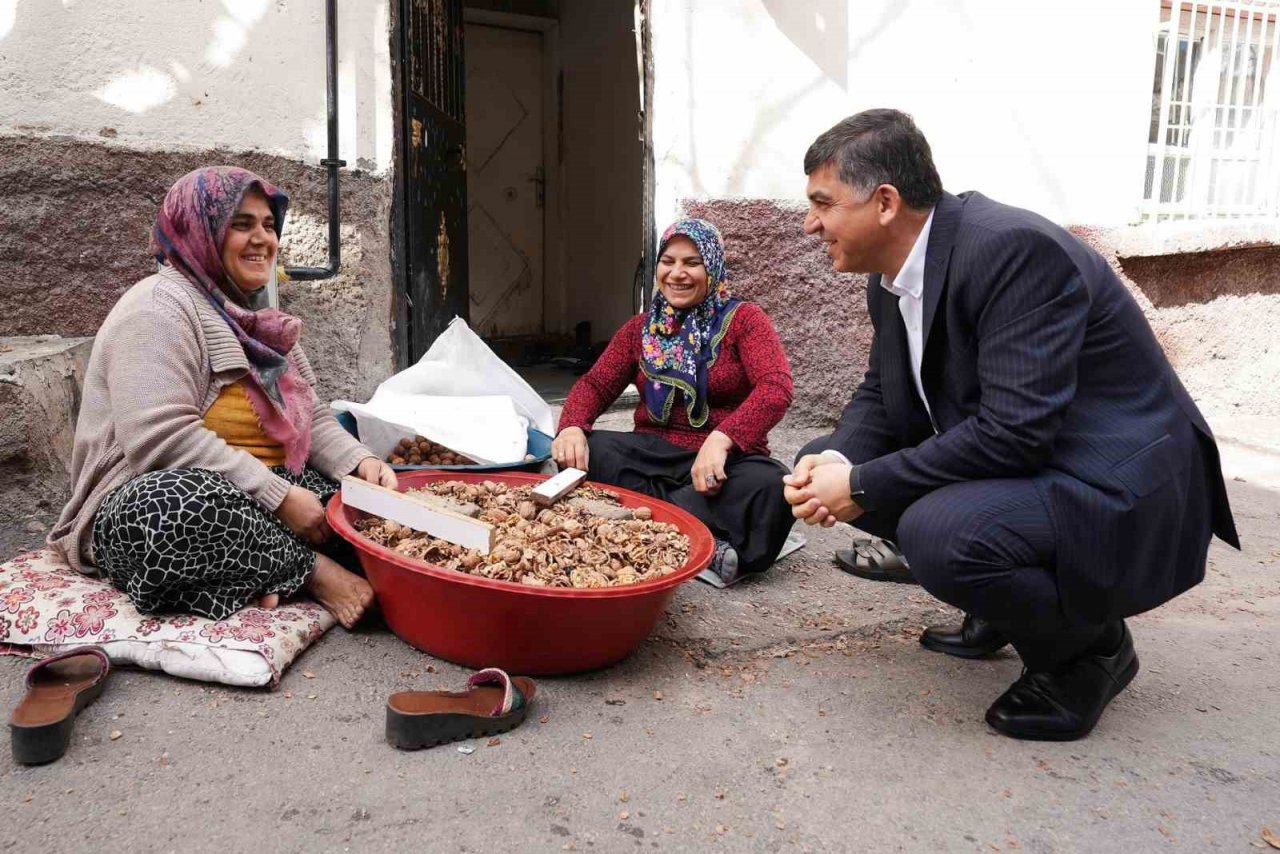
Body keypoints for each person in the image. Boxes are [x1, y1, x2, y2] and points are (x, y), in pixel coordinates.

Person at [785, 110, 1239, 740]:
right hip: (1040, 458)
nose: (811, 223)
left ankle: (1089, 652)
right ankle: (1003, 606)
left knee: (938, 531)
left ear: (885, 203)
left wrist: (861, 485)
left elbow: (1015, 433)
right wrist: (840, 462)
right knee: (825, 456)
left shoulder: (1011, 251)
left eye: (822, 204)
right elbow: (880, 391)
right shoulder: (889, 274)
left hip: (1121, 478)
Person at [49, 166, 394, 628]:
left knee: (371, 513)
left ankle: (246, 576)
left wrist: (357, 462)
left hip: (255, 493)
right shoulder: (156, 309)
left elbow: (310, 417)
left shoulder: (259, 320)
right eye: (241, 224)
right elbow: (160, 440)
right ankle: (309, 573)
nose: (262, 240)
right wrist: (279, 498)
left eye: (269, 226)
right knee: (170, 510)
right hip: (148, 497)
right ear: (200, 231)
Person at [553, 219, 795, 587]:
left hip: (724, 464)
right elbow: (596, 384)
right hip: (654, 456)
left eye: (692, 263)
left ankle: (641, 524)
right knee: (591, 449)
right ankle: (701, 539)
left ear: (712, 267)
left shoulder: (745, 321)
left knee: (773, 486)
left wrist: (722, 439)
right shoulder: (640, 329)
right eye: (668, 261)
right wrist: (571, 425)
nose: (677, 274)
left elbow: (775, 387)